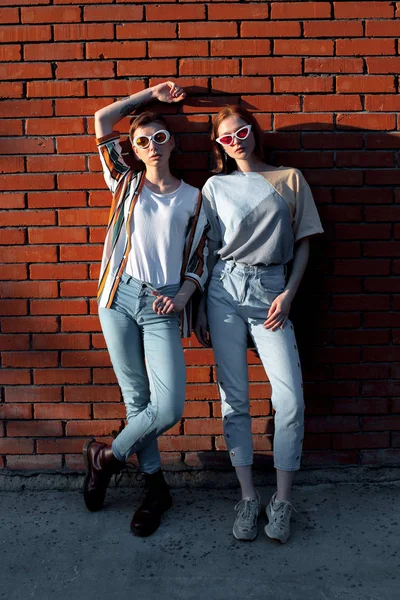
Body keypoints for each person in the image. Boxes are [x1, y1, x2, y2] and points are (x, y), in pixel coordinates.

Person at [83, 81, 208, 537]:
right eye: (142, 140)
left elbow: (202, 258)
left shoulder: (196, 198)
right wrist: (150, 95)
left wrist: (185, 292)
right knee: (137, 401)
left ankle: (105, 457)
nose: (152, 146)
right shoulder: (125, 182)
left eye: (159, 137)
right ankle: (155, 489)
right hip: (117, 298)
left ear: (172, 143)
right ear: (133, 149)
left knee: (168, 406)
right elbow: (101, 121)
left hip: (162, 305)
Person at [196, 106, 323, 543]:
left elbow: (305, 242)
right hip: (224, 291)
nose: (236, 141)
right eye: (226, 138)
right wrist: (198, 307)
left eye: (242, 132)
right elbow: (206, 249)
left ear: (255, 132)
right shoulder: (215, 186)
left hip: (272, 290)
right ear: (219, 145)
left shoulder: (289, 178)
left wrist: (288, 294)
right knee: (235, 399)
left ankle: (282, 501)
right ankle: (248, 497)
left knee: (289, 399)